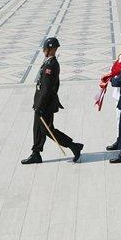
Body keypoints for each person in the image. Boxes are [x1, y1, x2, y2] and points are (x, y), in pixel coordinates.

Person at [22, 36, 83, 164]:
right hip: (42, 102)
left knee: (48, 130)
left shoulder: (51, 65)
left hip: (45, 104)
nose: (43, 51)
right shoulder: (48, 62)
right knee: (39, 129)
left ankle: (73, 146)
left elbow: (47, 89)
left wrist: (39, 106)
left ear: (50, 49)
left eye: (45, 49)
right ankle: (36, 153)